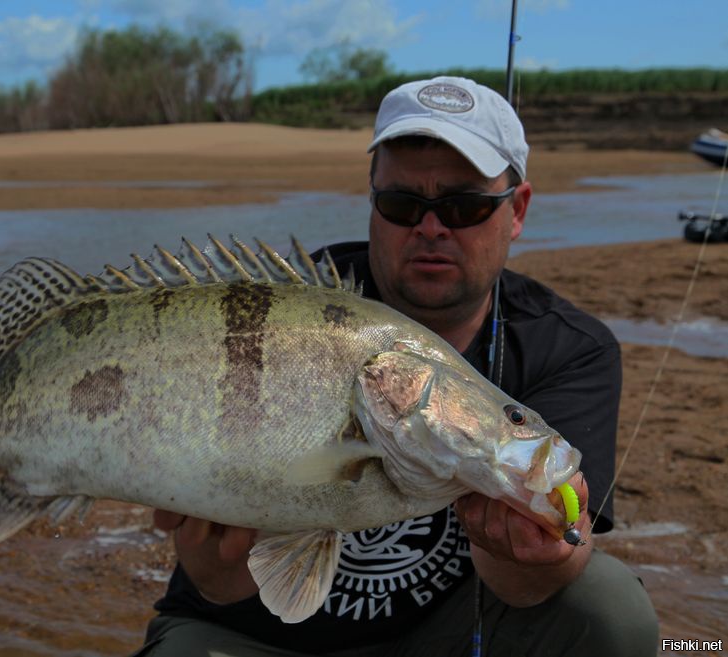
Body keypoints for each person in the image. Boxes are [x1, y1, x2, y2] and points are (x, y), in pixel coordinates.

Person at [133, 76, 659, 657]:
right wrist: (212, 554)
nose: (430, 228)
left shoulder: (570, 349)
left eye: (464, 206)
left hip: (441, 641)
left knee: (611, 610)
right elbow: (218, 582)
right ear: (372, 199)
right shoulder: (288, 306)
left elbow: (531, 583)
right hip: (247, 635)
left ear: (517, 211)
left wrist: (536, 553)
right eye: (402, 203)